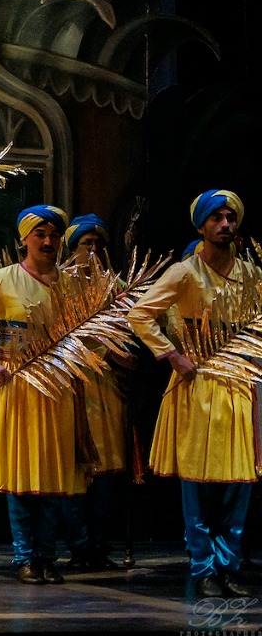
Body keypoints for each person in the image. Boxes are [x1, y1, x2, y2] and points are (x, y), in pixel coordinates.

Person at [126, 188, 256, 598]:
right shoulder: (185, 272)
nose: (225, 225)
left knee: (240, 480)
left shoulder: (251, 274)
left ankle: (229, 563)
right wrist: (172, 356)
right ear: (201, 225)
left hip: (239, 385)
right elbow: (139, 314)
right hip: (199, 386)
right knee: (198, 481)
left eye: (230, 217)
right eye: (216, 218)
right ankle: (203, 567)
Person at [0, 204, 84, 585]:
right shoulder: (4, 278)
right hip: (18, 387)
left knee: (53, 472)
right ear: (24, 239)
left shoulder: (70, 282)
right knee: (21, 471)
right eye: (40, 234)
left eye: (54, 235)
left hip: (58, 386)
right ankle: (25, 556)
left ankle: (47, 554)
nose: (48, 241)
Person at [60, 214, 128, 571]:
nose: (94, 249)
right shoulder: (60, 283)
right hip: (72, 382)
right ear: (73, 248)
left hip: (107, 387)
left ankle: (100, 547)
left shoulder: (116, 288)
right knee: (75, 470)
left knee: (106, 471)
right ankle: (79, 548)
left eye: (98, 243)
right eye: (86, 243)